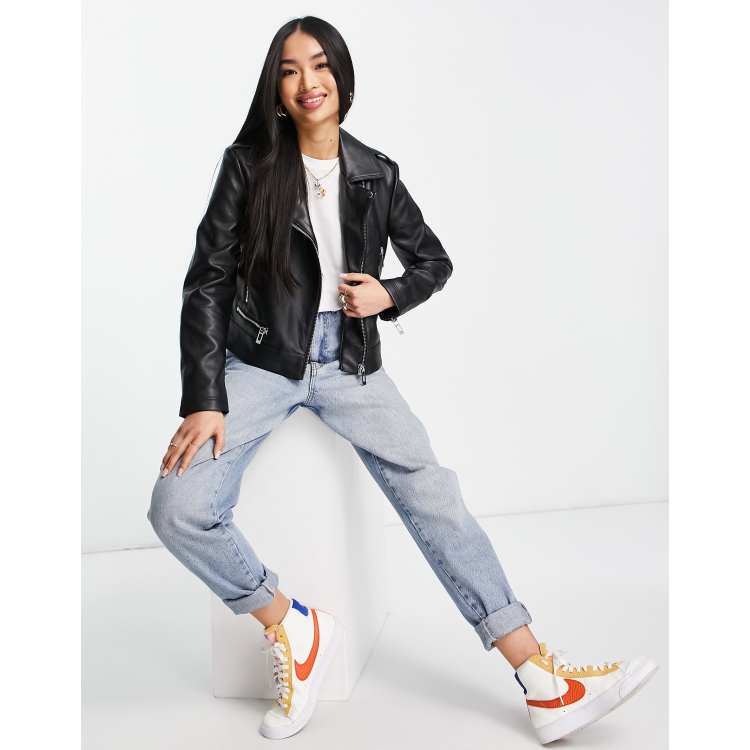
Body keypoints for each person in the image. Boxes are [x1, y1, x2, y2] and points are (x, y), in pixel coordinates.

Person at [147, 15, 658, 744]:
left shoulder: (375, 173)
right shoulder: (248, 165)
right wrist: (205, 397)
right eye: (289, 70)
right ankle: (290, 624)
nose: (307, 81)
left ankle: (542, 680)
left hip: (350, 364)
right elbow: (208, 281)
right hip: (262, 360)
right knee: (177, 505)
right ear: (276, 88)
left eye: (319, 65)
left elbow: (433, 262)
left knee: (433, 493)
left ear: (341, 75)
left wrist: (388, 293)